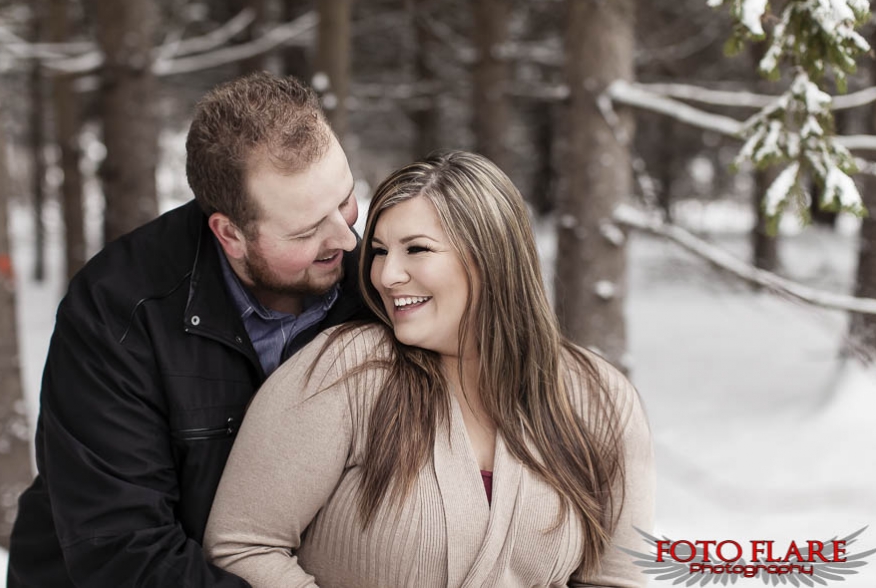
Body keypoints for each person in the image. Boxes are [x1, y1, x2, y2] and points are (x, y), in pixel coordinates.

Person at [203, 151, 655, 587]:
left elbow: (615, 578)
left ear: (491, 257)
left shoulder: (598, 397)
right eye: (379, 251)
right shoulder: (345, 372)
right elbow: (243, 545)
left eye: (416, 249)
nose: (386, 275)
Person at [7, 73, 371, 588]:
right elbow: (122, 549)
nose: (346, 237)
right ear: (231, 233)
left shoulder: (377, 287)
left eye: (347, 199)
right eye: (307, 230)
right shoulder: (118, 312)